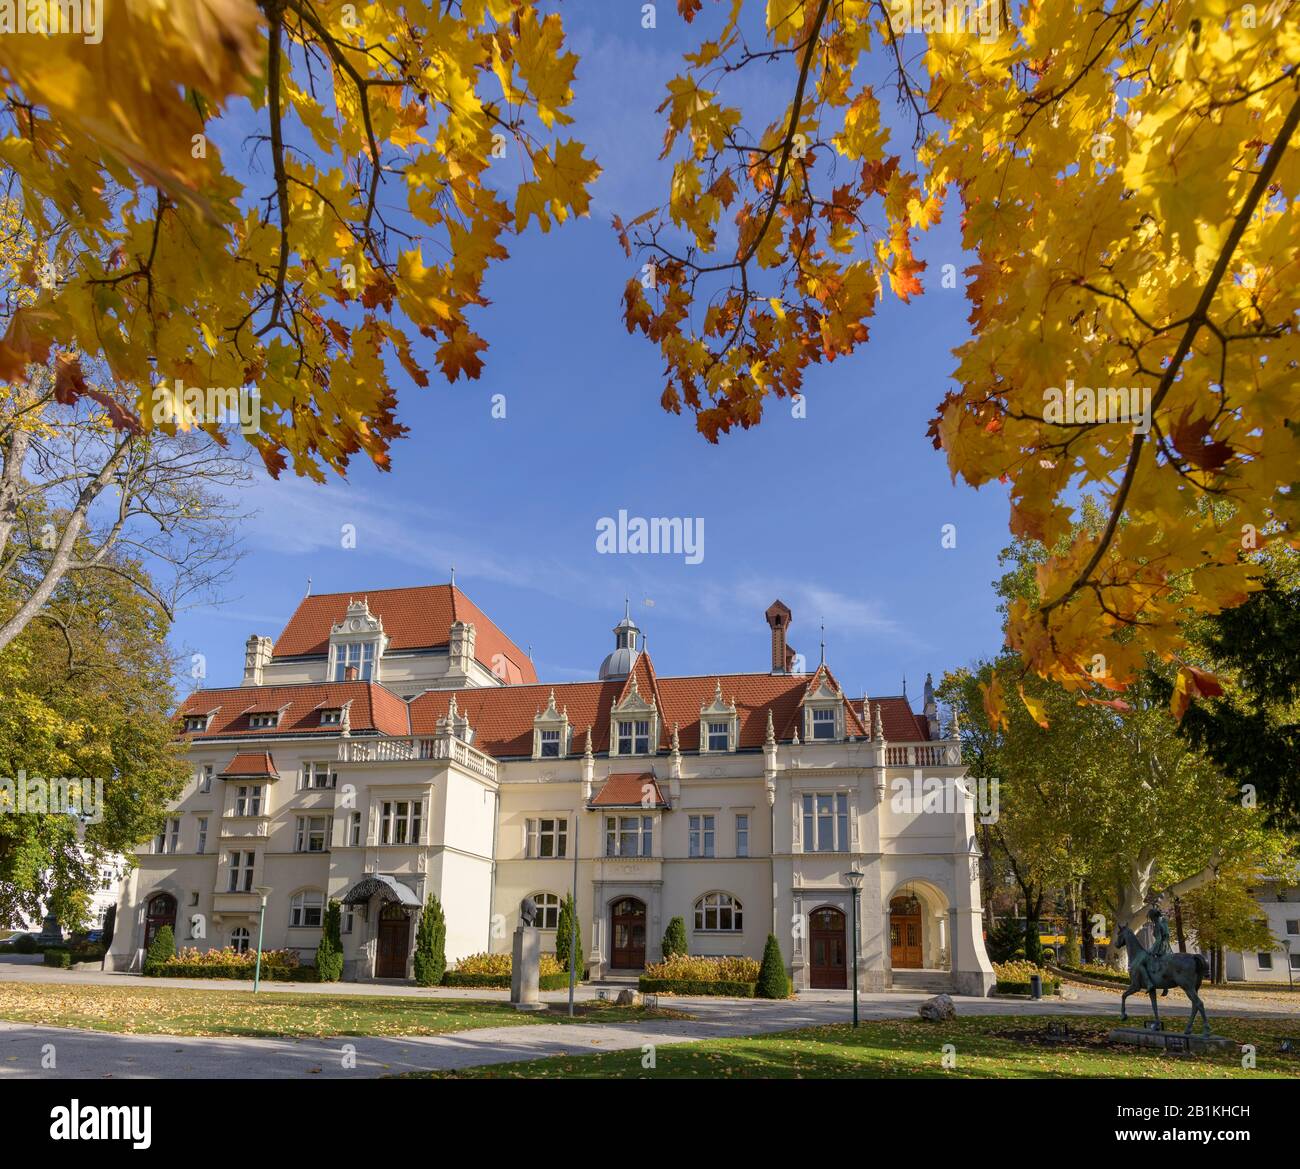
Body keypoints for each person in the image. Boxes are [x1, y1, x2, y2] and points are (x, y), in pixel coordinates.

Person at [1132, 904, 1171, 989]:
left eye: (1151, 918)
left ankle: (1149, 983)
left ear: (1153, 917)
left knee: (1141, 964)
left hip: (1160, 948)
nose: (1151, 920)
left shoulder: (1157, 924)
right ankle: (1165, 986)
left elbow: (1158, 939)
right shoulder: (1164, 922)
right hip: (1167, 947)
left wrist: (1151, 949)